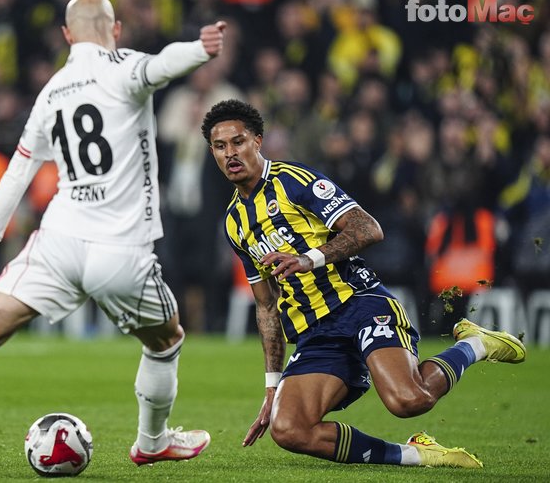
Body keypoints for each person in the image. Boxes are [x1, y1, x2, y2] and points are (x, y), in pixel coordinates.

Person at [0, 0, 226, 466]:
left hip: (58, 241)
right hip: (120, 250)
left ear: (67, 35)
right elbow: (163, 66)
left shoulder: (51, 92)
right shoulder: (124, 67)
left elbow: (17, 174)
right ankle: (152, 441)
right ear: (116, 29)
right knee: (166, 340)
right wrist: (199, 49)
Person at [201, 99, 526, 468]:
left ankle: (475, 344)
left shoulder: (294, 181)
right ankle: (417, 454)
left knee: (409, 400)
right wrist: (272, 386)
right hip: (316, 333)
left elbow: (368, 228)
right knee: (288, 429)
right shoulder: (234, 222)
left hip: (360, 304)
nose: (230, 153)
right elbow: (265, 306)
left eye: (238, 141)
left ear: (257, 141)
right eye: (220, 146)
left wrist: (309, 258)